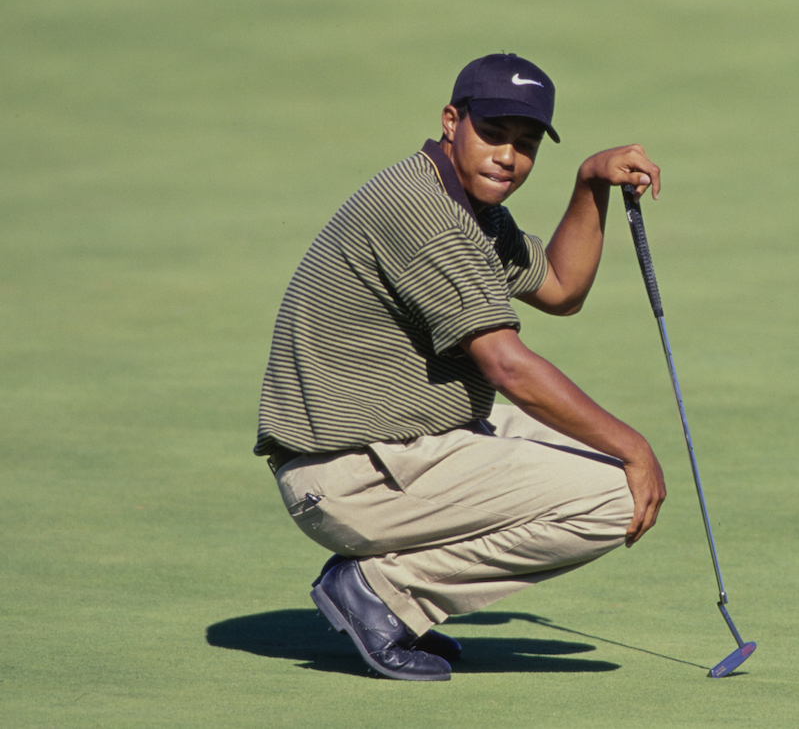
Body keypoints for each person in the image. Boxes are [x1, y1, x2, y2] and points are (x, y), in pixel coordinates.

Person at [254, 53, 666, 681]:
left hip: (399, 446)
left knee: (598, 455)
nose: (508, 156)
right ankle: (381, 591)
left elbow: (560, 287)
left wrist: (589, 184)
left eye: (525, 144)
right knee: (616, 494)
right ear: (452, 121)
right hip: (349, 474)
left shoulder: (468, 205)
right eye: (493, 133)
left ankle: (383, 587)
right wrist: (636, 448)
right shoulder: (427, 216)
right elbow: (507, 367)